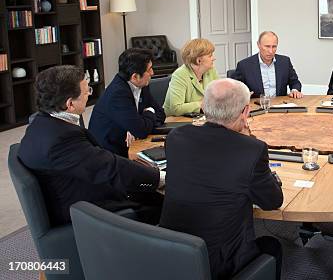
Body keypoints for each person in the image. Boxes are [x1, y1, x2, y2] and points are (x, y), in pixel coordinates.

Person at [160, 78, 284, 279]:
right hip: (218, 265)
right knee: (272, 246)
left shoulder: (176, 137)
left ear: (204, 106)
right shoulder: (252, 150)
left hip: (171, 251)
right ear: (245, 112)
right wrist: (247, 139)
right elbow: (273, 201)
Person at [18, 65, 163, 226]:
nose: (89, 95)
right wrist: (160, 178)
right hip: (86, 212)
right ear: (70, 104)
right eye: (87, 91)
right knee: (166, 202)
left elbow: (98, 160)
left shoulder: (41, 124)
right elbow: (110, 167)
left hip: (77, 191)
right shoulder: (61, 140)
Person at [89, 48, 166, 157]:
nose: (152, 73)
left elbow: (161, 114)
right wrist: (147, 114)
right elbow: (141, 130)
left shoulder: (142, 85)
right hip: (109, 154)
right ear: (135, 76)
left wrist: (134, 126)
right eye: (149, 70)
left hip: (130, 144)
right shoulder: (118, 94)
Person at [231, 31, 302, 98]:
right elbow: (235, 89)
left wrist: (294, 90)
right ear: (258, 45)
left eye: (274, 46)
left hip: (280, 106)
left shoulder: (285, 62)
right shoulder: (244, 65)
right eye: (267, 46)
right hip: (256, 107)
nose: (271, 51)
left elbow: (295, 82)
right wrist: (243, 94)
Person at [163, 38, 219, 116]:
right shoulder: (180, 75)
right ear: (198, 61)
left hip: (202, 117)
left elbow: (219, 96)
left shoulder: (211, 70)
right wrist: (202, 104)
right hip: (177, 121)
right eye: (210, 56)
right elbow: (176, 108)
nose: (214, 58)